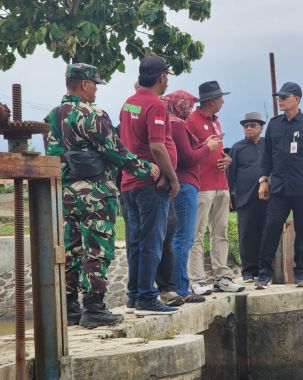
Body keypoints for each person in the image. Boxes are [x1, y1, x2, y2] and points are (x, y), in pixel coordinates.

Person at [46, 63, 159, 328]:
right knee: (97, 249)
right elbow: (115, 151)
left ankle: (70, 306)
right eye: (95, 83)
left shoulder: (53, 116)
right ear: (84, 84)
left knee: (71, 250)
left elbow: (53, 154)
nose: (96, 89)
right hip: (96, 192)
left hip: (66, 193)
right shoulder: (93, 114)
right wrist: (146, 169)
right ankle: (94, 307)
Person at [120, 55, 180, 315]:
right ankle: (146, 295)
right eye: (167, 76)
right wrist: (173, 177)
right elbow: (156, 145)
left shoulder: (128, 103)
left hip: (129, 183)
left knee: (136, 241)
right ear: (162, 77)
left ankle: (134, 295)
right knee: (152, 242)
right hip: (150, 185)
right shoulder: (155, 105)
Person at [256, 82, 303, 289]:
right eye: (279, 97)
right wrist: (263, 181)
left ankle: (301, 273)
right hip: (279, 187)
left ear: (297, 99)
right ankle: (264, 273)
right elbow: (267, 156)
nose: (280, 100)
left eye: (284, 97)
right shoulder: (274, 124)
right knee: (271, 227)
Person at [186, 81, 245, 294]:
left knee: (221, 231)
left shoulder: (216, 122)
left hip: (221, 183)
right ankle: (197, 279)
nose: (223, 101)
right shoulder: (191, 121)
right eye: (220, 97)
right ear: (211, 100)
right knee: (197, 233)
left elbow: (215, 150)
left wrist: (226, 159)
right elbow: (188, 152)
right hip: (202, 185)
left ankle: (222, 276)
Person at [165, 90, 220, 302]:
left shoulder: (170, 123)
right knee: (184, 238)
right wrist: (207, 147)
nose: (191, 109)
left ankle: (178, 285)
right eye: (188, 105)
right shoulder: (177, 124)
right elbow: (187, 158)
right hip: (186, 184)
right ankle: (181, 287)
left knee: (178, 237)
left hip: (182, 184)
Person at [227, 112, 267, 283]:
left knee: (267, 233)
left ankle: (264, 270)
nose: (249, 128)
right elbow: (230, 174)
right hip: (245, 197)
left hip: (268, 197)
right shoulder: (237, 148)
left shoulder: (268, 145)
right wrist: (228, 195)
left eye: (253, 125)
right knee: (247, 234)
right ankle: (249, 271)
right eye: (246, 126)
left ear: (261, 127)